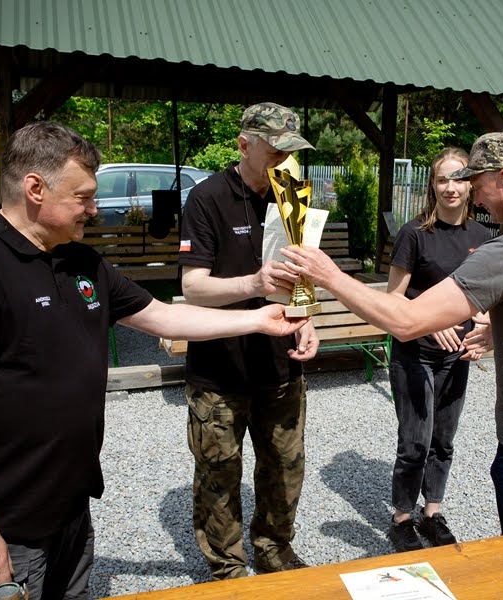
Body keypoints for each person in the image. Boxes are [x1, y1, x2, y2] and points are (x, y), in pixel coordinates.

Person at [0, 120, 309, 600]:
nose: (94, 209)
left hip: (68, 509)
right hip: (4, 521)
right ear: (35, 188)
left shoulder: (80, 261)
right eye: (82, 197)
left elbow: (163, 318)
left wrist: (258, 321)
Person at [282, 132, 503, 535]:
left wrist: (329, 276)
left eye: (477, 183)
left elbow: (406, 320)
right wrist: (498, 329)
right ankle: (408, 513)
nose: (473, 193)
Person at [177, 102, 319, 579]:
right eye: (274, 150)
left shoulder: (293, 195)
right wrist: (253, 285)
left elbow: (302, 274)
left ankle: (274, 551)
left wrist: (307, 319)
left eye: (290, 151)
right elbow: (192, 287)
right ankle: (228, 569)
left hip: (281, 366)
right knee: (219, 476)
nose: (284, 160)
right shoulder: (207, 198)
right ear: (244, 144)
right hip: (221, 369)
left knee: (284, 468)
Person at [385, 147, 493, 552]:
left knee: (443, 440)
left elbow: (486, 294)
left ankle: (432, 512)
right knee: (415, 440)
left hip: (458, 353)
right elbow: (393, 297)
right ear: (433, 185)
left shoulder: (482, 237)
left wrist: (485, 323)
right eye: (443, 179)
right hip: (415, 350)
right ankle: (401, 518)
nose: (451, 187)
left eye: (459, 179)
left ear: (471, 185)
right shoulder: (415, 233)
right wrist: (436, 322)